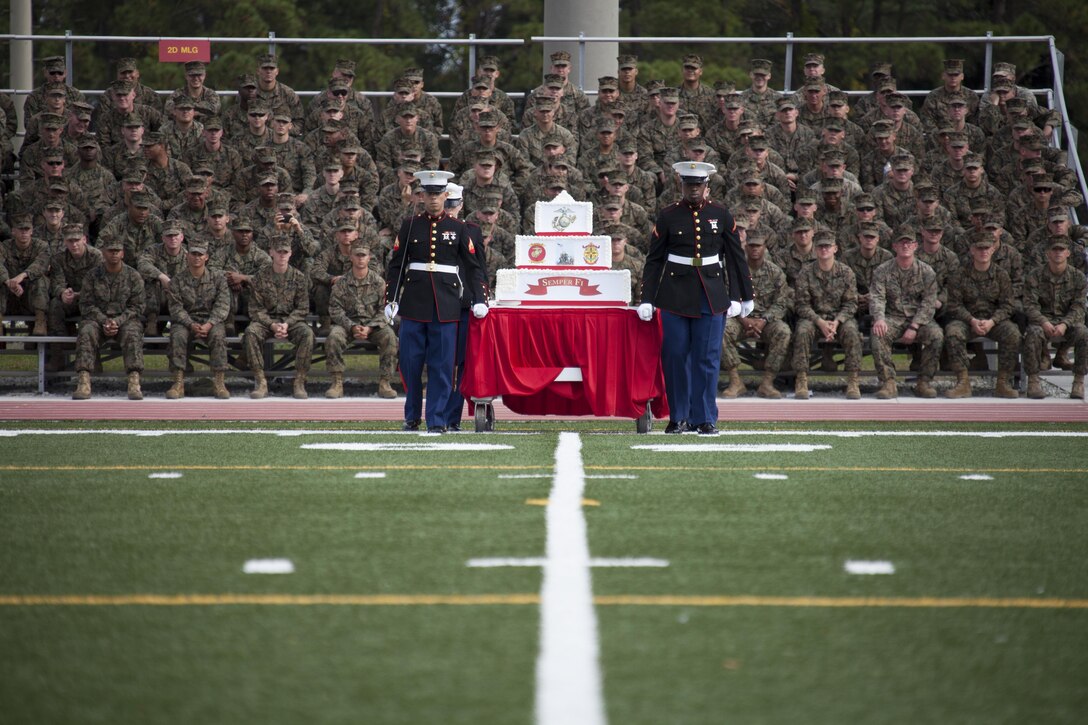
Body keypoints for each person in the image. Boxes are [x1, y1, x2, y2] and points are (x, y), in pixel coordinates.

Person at [638, 161, 754, 435]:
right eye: (689, 185)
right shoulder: (668, 216)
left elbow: (736, 257)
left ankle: (704, 418)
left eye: (698, 185)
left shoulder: (721, 214)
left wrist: (742, 295)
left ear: (706, 186)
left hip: (710, 295)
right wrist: (647, 297)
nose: (694, 190)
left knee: (707, 358)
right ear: (682, 186)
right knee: (675, 357)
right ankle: (678, 417)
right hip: (674, 295)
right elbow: (654, 261)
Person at [383, 170, 489, 433]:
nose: (433, 199)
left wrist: (480, 298)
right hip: (415, 303)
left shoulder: (459, 228)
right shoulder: (410, 225)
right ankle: (411, 416)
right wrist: (391, 298)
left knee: (442, 367)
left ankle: (437, 420)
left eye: (438, 194)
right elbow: (397, 265)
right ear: (421, 196)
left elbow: (474, 267)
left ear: (445, 195)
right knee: (410, 364)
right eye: (429, 194)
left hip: (446, 305)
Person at [869, 227, 942, 399]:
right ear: (894, 246)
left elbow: (929, 302)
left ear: (916, 246)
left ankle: (924, 382)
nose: (905, 246)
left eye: (909, 243)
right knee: (878, 334)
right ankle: (888, 382)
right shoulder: (882, 270)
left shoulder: (926, 271)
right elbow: (877, 297)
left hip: (919, 319)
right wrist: (879, 319)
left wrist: (915, 326)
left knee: (936, 335)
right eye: (901, 243)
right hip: (892, 317)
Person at [943, 235, 1021, 399]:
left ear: (993, 249)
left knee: (1013, 333)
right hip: (967, 320)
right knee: (953, 332)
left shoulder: (1001, 275)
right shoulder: (960, 274)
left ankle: (1003, 383)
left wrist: (992, 321)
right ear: (972, 250)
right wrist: (972, 320)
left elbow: (1008, 305)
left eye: (986, 248)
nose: (983, 252)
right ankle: (963, 382)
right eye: (979, 248)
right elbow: (954, 305)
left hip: (994, 320)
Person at [72, 237, 145, 401]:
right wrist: (104, 320)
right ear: (103, 253)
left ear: (123, 253)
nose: (114, 254)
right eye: (110, 251)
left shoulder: (133, 276)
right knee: (86, 331)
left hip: (125, 320)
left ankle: (134, 381)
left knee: (133, 333)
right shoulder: (92, 276)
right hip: (97, 320)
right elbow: (86, 304)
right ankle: (83, 381)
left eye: (117, 251)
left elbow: (138, 306)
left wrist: (117, 321)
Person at [720, 232, 792, 400]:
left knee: (783, 332)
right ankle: (735, 381)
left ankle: (767, 383)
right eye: (751, 246)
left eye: (758, 246)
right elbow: (724, 297)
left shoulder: (775, 272)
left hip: (766, 322)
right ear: (745, 247)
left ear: (764, 248)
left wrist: (764, 320)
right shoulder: (734, 270)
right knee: (721, 329)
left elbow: (782, 302)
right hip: (739, 320)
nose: (755, 249)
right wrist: (743, 320)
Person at [792, 230, 862, 399]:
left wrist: (837, 322)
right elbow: (802, 305)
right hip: (814, 319)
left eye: (827, 246)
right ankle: (801, 379)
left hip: (840, 319)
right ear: (815, 249)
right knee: (802, 331)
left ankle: (853, 380)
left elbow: (851, 303)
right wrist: (820, 322)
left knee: (852, 331)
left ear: (835, 249)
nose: (824, 250)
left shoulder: (846, 273)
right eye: (820, 247)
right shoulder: (806, 273)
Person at [325, 242, 399, 399]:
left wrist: (370, 327)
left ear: (369, 258)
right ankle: (337, 383)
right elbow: (335, 309)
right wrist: (352, 327)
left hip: (374, 325)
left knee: (390, 337)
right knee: (334, 337)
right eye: (357, 255)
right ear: (351, 257)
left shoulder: (378, 282)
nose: (360, 259)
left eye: (363, 255)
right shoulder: (342, 283)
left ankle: (385, 382)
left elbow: (385, 309)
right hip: (348, 324)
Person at [244, 235, 313, 399]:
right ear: (271, 253)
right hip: (267, 321)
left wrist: (287, 324)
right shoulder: (260, 277)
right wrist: (272, 325)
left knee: (307, 334)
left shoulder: (299, 277)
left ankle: (299, 381)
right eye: (278, 251)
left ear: (290, 254)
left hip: (291, 321)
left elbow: (303, 308)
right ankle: (261, 380)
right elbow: (256, 309)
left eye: (285, 251)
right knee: (251, 333)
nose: (282, 255)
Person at [165, 241, 232, 400]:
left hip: (211, 321)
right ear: (187, 256)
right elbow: (176, 308)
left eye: (200, 254)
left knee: (218, 336)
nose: (196, 257)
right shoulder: (178, 280)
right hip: (186, 321)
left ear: (206, 257)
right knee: (177, 336)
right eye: (193, 254)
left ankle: (219, 382)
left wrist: (209, 324)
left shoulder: (218, 278)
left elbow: (223, 305)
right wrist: (190, 324)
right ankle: (178, 382)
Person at [1023, 237, 1087, 399]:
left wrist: (1065, 324)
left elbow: (1079, 306)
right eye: (1054, 250)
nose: (1058, 253)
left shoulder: (1078, 277)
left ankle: (1078, 381)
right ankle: (1033, 380)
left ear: (1068, 253)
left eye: (1061, 250)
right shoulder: (1035, 275)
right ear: (1047, 253)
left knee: (1083, 332)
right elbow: (1030, 305)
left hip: (1067, 322)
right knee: (1033, 333)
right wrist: (1043, 321)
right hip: (1043, 321)